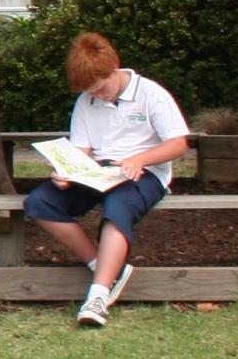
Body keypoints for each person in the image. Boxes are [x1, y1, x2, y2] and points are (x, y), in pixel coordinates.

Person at [24, 31, 190, 327]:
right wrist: (66, 172)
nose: (97, 96)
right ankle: (103, 266)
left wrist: (140, 159)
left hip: (144, 173)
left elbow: (179, 144)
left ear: (114, 68)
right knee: (41, 201)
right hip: (99, 171)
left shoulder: (151, 94)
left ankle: (98, 296)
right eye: (91, 92)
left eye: (100, 89)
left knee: (117, 208)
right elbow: (81, 150)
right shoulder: (86, 101)